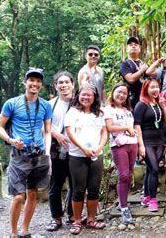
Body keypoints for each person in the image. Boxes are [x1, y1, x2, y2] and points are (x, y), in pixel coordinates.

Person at [0, 67, 52, 238]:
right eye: (31, 80)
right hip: (20, 156)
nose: (35, 84)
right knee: (18, 196)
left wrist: (47, 152)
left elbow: (47, 130)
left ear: (41, 84)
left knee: (32, 192)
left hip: (39, 155)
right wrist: (11, 140)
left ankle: (25, 230)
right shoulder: (12, 103)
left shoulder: (45, 105)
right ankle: (13, 233)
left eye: (38, 81)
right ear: (25, 82)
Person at [65, 83, 107, 234]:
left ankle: (91, 219)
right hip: (78, 156)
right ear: (78, 95)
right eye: (83, 94)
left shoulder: (99, 113)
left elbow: (104, 132)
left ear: (94, 97)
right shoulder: (73, 112)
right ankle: (76, 221)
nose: (86, 97)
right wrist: (84, 149)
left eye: (89, 95)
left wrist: (100, 147)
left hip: (96, 155)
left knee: (94, 189)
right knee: (78, 190)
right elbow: (70, 133)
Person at [104, 83, 143, 225]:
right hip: (118, 145)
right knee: (123, 175)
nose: (121, 95)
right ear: (113, 92)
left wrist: (138, 144)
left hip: (131, 144)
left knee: (129, 173)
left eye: (124, 93)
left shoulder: (128, 110)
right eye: (119, 92)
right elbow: (109, 128)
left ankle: (123, 202)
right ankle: (124, 207)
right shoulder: (108, 109)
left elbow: (133, 129)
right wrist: (126, 127)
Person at [133, 79, 166, 212]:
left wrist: (163, 106)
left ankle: (146, 196)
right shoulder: (141, 105)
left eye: (157, 87)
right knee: (155, 169)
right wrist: (141, 146)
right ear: (146, 89)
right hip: (147, 142)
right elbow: (137, 126)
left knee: (150, 169)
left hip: (159, 141)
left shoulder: (158, 103)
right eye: (152, 87)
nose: (155, 90)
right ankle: (153, 201)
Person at [46, 71, 75, 232]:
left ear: (72, 84)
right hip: (56, 150)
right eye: (60, 83)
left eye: (66, 82)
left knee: (75, 185)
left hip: (75, 150)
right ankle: (56, 217)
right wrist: (55, 134)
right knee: (55, 185)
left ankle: (72, 215)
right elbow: (44, 126)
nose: (64, 85)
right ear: (56, 86)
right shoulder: (49, 105)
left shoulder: (79, 102)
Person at [119, 37, 148, 106]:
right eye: (130, 45)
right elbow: (130, 79)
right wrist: (141, 70)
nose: (133, 46)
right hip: (130, 100)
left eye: (136, 44)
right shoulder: (125, 64)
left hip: (144, 99)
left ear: (139, 49)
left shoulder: (144, 64)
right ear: (127, 50)